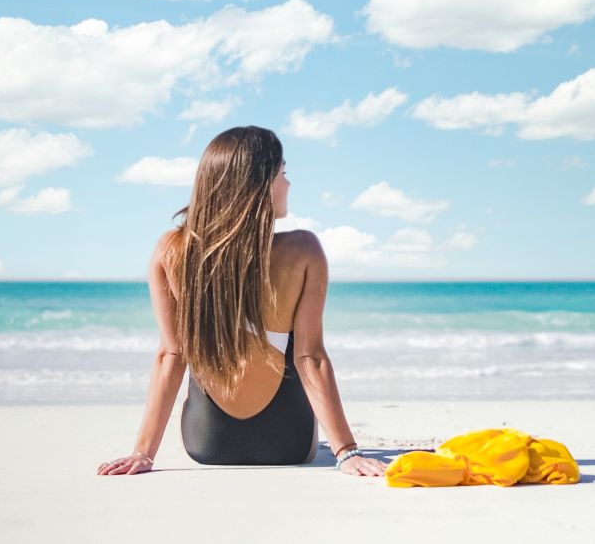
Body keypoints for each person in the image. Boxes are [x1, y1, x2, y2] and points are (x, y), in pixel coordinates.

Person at [97, 126, 387, 477]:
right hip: (288, 443)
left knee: (197, 341)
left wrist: (143, 452)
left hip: (207, 443)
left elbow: (171, 356)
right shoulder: (303, 250)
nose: (288, 184)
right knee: (293, 341)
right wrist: (346, 452)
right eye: (283, 173)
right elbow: (310, 357)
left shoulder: (170, 250)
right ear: (260, 184)